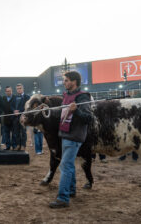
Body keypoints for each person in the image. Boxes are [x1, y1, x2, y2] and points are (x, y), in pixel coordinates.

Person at [49, 71, 93, 208]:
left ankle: (63, 198)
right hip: (65, 135)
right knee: (68, 165)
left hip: (74, 136)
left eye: (66, 80)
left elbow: (88, 118)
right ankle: (71, 190)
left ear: (74, 82)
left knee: (65, 166)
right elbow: (63, 112)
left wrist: (76, 110)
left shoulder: (82, 97)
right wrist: (47, 111)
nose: (64, 82)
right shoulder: (67, 95)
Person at [12, 83, 30, 151]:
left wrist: (19, 111)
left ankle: (23, 145)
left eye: (20, 88)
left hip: (23, 117)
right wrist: (14, 110)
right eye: (17, 89)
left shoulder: (27, 97)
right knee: (16, 132)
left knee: (23, 132)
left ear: (23, 89)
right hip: (15, 118)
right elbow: (12, 105)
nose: (19, 90)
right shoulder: (14, 97)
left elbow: (27, 107)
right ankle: (18, 145)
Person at [2, 86, 16, 150]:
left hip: (14, 119)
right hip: (6, 119)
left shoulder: (15, 97)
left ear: (11, 91)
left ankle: (14, 146)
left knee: (14, 134)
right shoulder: (3, 98)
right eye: (7, 91)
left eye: (9, 91)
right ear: (5, 92)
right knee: (6, 134)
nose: (8, 92)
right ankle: (7, 146)